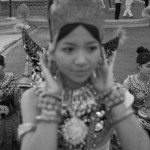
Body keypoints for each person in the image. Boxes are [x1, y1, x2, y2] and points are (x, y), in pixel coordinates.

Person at [19, 1, 150, 150]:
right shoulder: (34, 98)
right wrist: (51, 102)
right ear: (53, 50)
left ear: (100, 51)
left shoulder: (115, 95)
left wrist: (111, 97)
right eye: (69, 49)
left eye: (91, 48)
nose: (81, 60)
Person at [123, 46, 150, 135]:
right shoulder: (128, 82)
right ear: (139, 66)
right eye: (148, 66)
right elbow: (125, 107)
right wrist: (136, 119)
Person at [0, 55, 21, 150]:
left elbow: (17, 103)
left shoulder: (11, 79)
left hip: (10, 119)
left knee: (13, 141)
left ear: (3, 65)